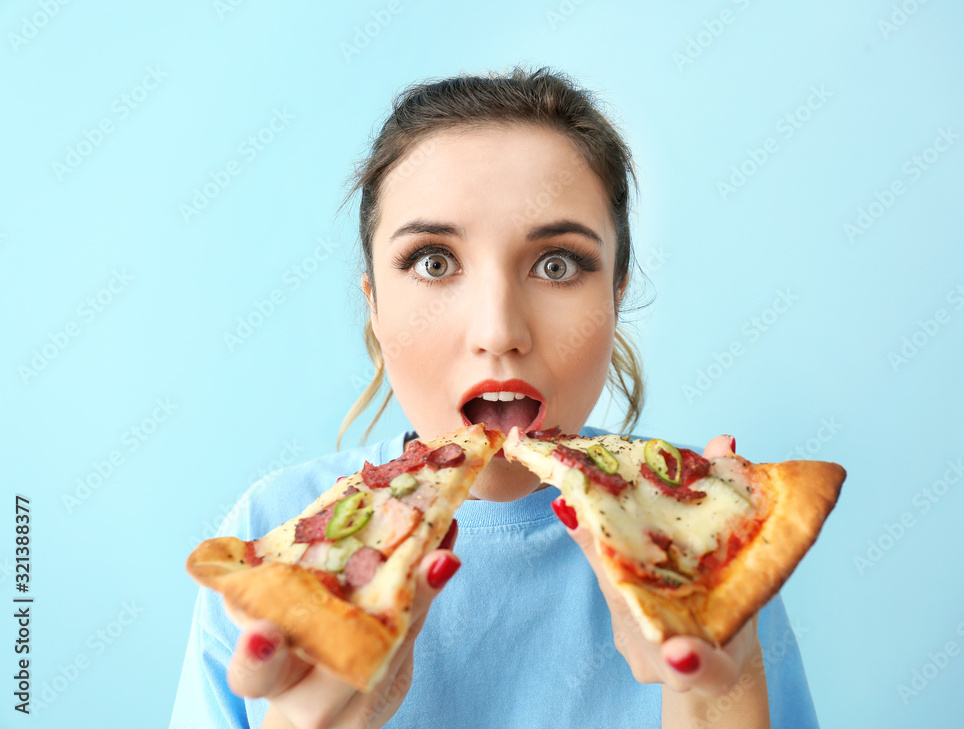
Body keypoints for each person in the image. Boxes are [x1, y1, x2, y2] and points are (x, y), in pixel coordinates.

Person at [170, 66, 820, 728]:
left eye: (557, 265)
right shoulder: (272, 533)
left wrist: (717, 700)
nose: (499, 331)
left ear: (616, 297)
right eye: (434, 261)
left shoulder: (706, 539)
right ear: (374, 305)